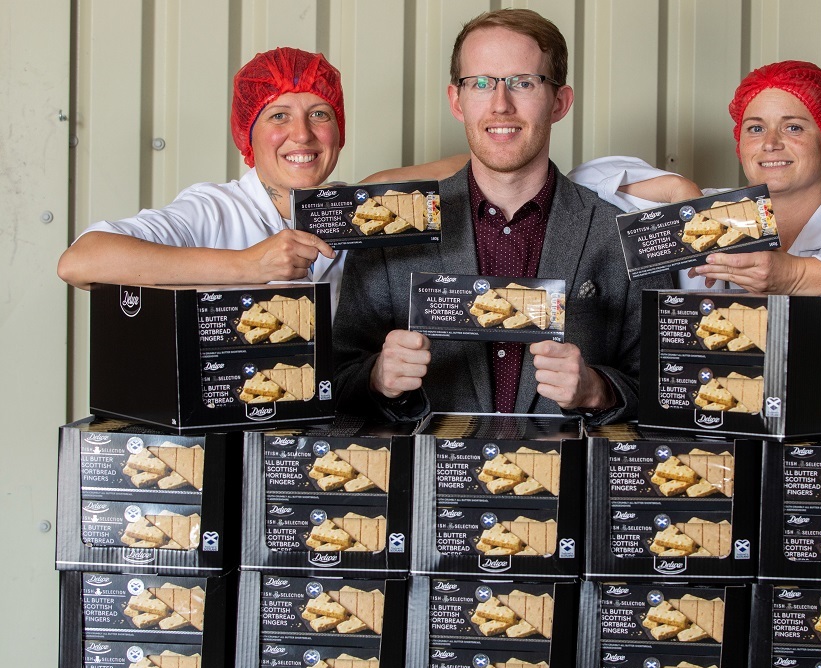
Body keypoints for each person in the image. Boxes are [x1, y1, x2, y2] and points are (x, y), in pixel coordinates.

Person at [332, 8, 671, 423]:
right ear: (457, 101)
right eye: (480, 83)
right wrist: (376, 377)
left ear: (560, 102)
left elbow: (668, 392)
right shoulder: (394, 228)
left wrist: (598, 390)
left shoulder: (621, 236)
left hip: (566, 483)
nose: (500, 105)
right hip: (430, 482)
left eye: (523, 83)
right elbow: (334, 383)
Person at [569, 61, 821, 348]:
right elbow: (584, 180)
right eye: (755, 128)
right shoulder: (706, 208)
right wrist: (680, 193)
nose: (770, 143)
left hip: (815, 445)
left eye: (794, 127)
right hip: (706, 428)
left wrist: (797, 276)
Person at [57, 47, 345, 305]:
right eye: (279, 116)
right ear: (248, 134)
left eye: (319, 114)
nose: (302, 134)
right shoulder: (213, 211)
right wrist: (250, 265)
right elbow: (81, 260)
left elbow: (385, 182)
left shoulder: (354, 210)